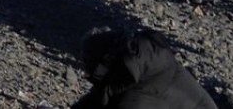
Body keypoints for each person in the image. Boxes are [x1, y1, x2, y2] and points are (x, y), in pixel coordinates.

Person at [72, 27, 219, 109]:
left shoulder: (140, 96)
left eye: (88, 66)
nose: (86, 72)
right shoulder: (139, 65)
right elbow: (101, 95)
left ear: (102, 64)